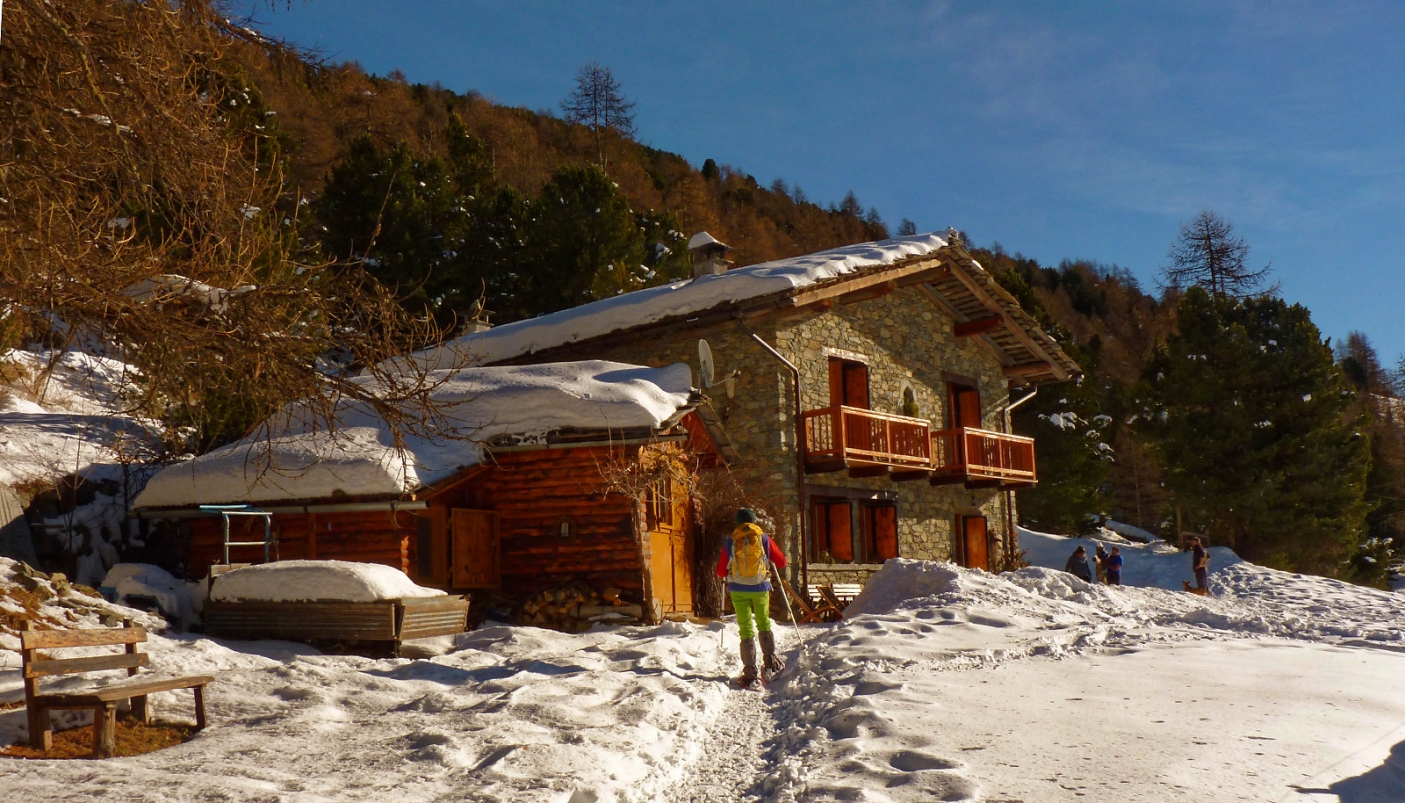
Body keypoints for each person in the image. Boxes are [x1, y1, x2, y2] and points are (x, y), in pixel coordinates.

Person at [715, 508, 787, 687]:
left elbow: (720, 571)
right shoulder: (763, 538)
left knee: (746, 629)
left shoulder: (730, 541)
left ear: (738, 523)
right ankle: (771, 664)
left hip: (738, 589)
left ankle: (749, 674)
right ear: (754, 521)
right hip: (760, 587)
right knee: (763, 623)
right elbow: (782, 562)